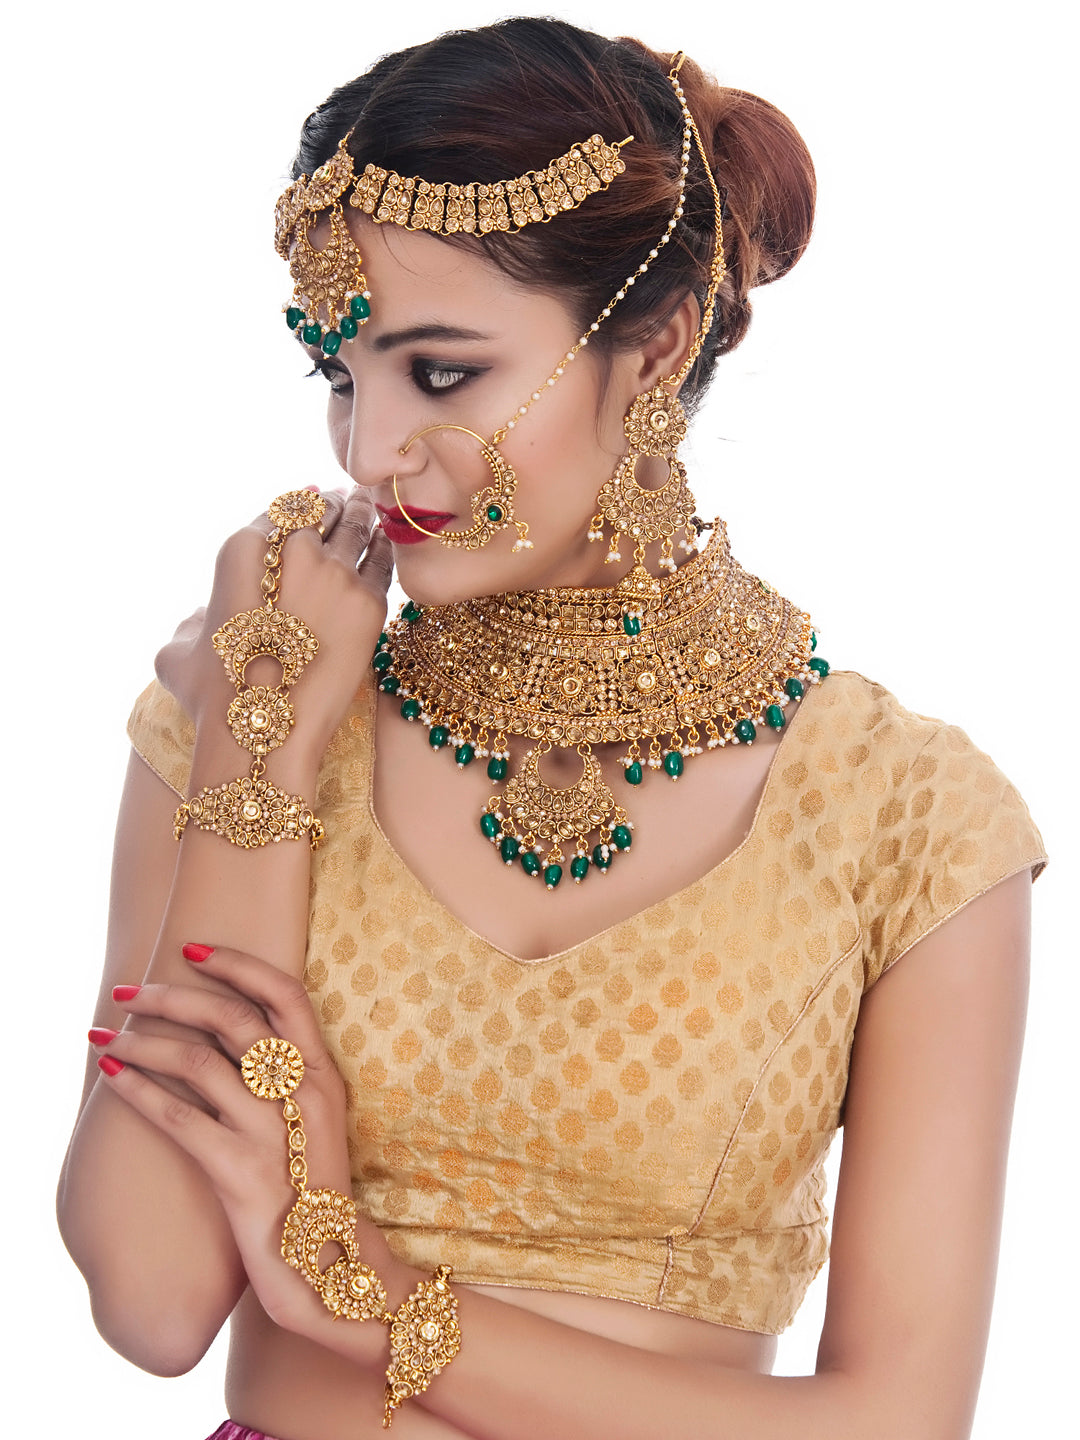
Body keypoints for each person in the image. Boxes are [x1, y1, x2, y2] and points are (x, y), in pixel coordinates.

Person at [57, 16, 1046, 1439]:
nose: (371, 452)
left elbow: (899, 1420)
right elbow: (153, 1302)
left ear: (655, 348)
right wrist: (261, 738)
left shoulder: (907, 815)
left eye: (439, 374)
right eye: (340, 375)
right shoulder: (246, 701)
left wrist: (365, 1293)